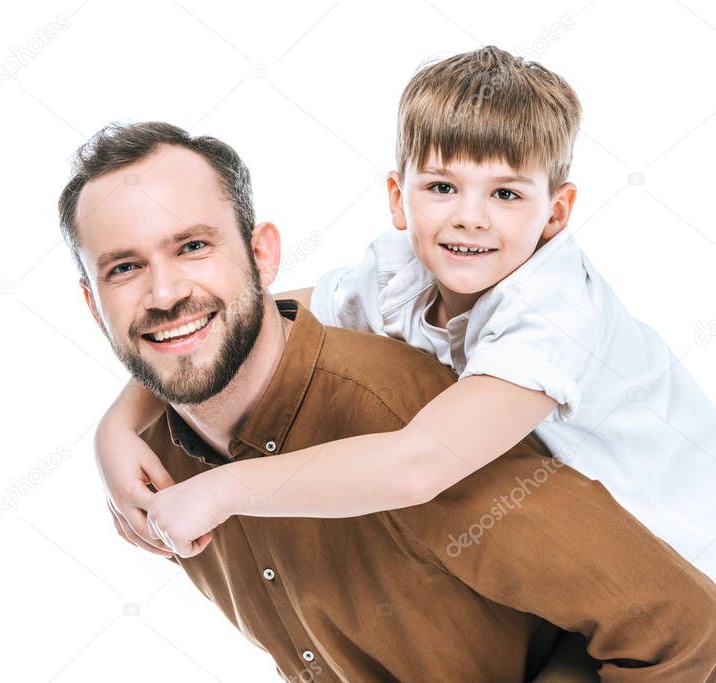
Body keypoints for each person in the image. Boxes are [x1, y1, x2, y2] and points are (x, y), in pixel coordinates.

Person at [57, 120, 716, 680]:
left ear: (262, 256)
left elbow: (680, 626)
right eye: (123, 267)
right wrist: (111, 428)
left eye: (193, 245)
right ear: (92, 302)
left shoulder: (402, 411)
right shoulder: (156, 469)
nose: (165, 290)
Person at [95, 47, 716, 582]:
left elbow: (418, 466)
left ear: (555, 214)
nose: (470, 217)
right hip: (570, 564)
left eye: (505, 194)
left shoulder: (553, 314)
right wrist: (116, 429)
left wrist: (224, 490)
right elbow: (244, 318)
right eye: (442, 187)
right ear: (398, 197)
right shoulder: (399, 272)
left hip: (686, 574)